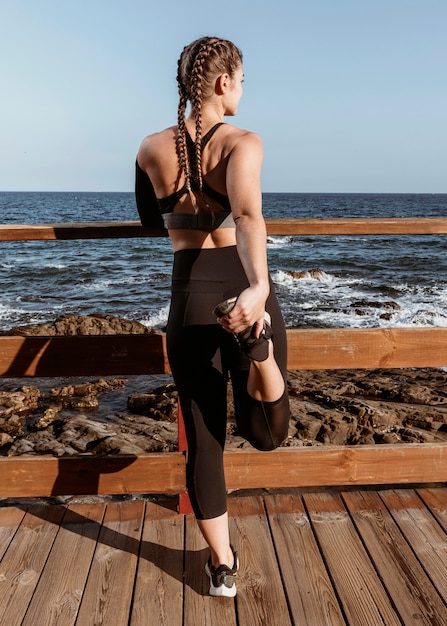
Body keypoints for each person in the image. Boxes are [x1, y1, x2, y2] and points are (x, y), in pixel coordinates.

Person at [135, 36, 290, 597]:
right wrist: (258, 287)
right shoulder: (243, 143)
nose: (244, 89)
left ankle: (222, 566)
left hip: (189, 293)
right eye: (243, 79)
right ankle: (261, 354)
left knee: (203, 439)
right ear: (223, 83)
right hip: (242, 289)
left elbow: (153, 221)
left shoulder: (150, 148)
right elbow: (248, 215)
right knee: (267, 431)